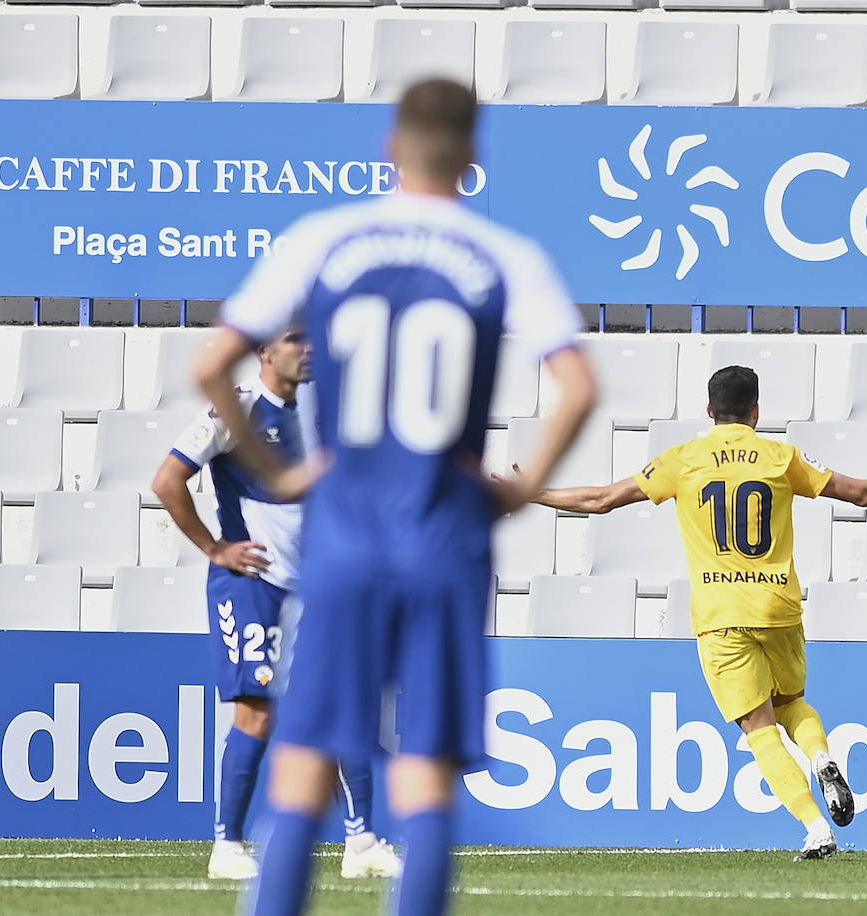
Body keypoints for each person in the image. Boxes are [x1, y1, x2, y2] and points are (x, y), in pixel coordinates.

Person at [191, 78, 597, 916]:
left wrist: (279, 474)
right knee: (426, 772)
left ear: (390, 149)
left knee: (302, 756)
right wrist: (513, 499)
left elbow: (208, 366)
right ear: (473, 156)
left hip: (343, 535)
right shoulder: (504, 254)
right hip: (447, 537)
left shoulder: (327, 239)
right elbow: (580, 387)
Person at [498, 365, 867, 859]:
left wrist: (536, 493)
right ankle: (821, 754)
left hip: (720, 616)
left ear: (709, 410)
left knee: (758, 727)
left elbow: (604, 499)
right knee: (791, 703)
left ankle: (815, 828)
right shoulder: (781, 457)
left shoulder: (684, 459)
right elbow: (862, 494)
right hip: (778, 605)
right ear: (756, 411)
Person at [151, 329, 400, 881]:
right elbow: (167, 480)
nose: (307, 349)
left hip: (317, 589)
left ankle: (362, 845)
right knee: (258, 711)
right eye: (294, 340)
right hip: (253, 584)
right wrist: (216, 548)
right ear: (265, 352)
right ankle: (228, 847)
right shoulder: (233, 413)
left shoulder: (326, 417)